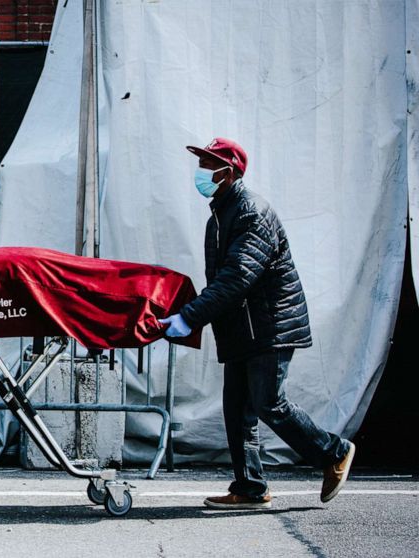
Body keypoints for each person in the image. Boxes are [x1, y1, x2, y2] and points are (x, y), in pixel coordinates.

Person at [160, 137, 355, 510]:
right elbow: (224, 280)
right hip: (242, 328)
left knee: (269, 403)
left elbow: (236, 277)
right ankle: (250, 488)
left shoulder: (251, 213)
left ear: (228, 173)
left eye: (207, 164)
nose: (200, 171)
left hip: (270, 326)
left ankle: (334, 451)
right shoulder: (220, 214)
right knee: (237, 410)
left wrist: (190, 316)